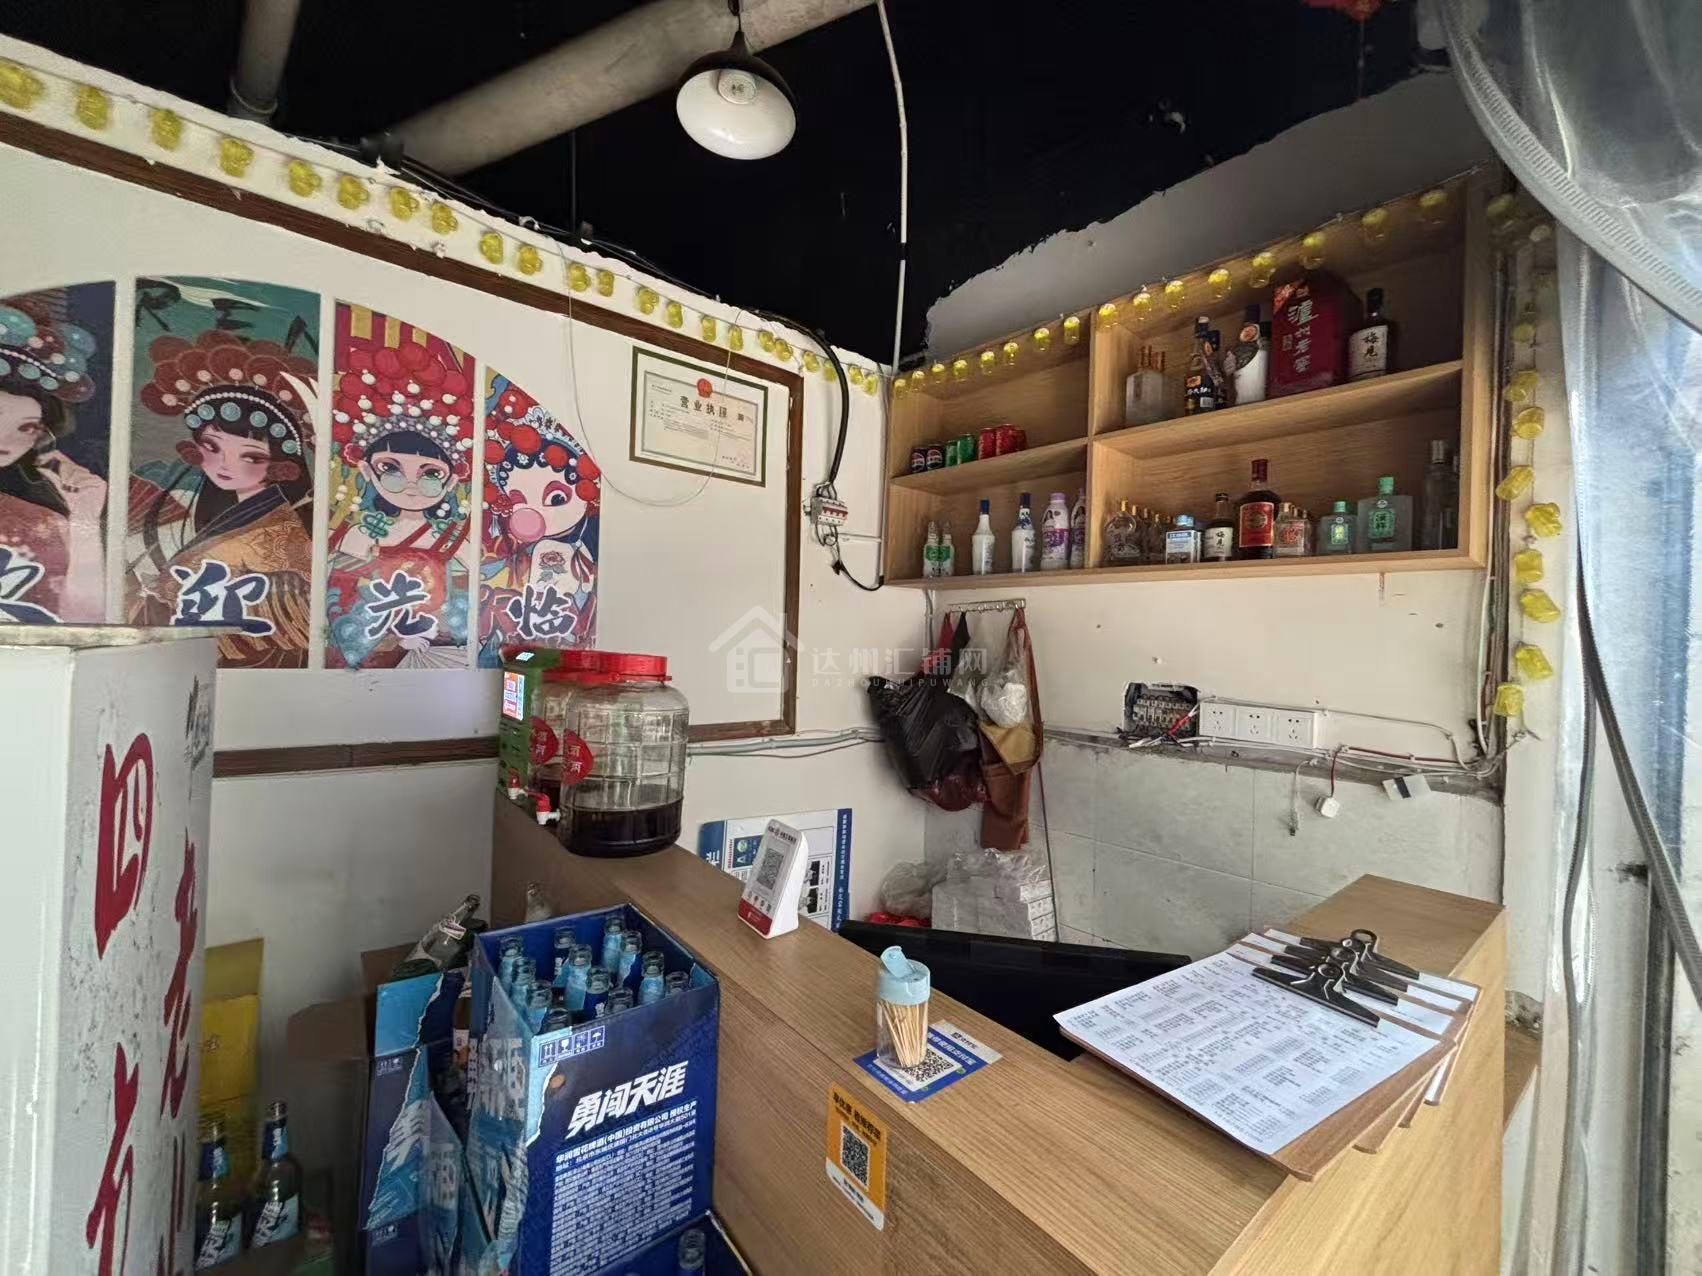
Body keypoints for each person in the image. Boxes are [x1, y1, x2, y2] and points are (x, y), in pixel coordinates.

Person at [126, 330, 315, 666]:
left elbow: (284, 631)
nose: (225, 466)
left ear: (279, 463)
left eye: (250, 456)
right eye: (212, 448)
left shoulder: (280, 535)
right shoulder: (228, 515)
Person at [325, 338, 473, 668]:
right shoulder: (361, 536)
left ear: (451, 481)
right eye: (390, 469)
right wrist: (392, 635)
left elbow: (472, 605)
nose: (410, 484)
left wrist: (441, 631)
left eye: (430, 473)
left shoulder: (456, 540)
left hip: (441, 657)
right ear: (367, 471)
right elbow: (339, 602)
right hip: (381, 657)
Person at [477, 376, 599, 665]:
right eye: (518, 500)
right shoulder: (520, 553)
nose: (535, 513)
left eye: (556, 498)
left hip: (556, 652)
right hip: (534, 652)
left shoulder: (579, 552)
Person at [0, 297, 107, 623]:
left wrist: (85, 521)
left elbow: (84, 620)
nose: (7, 440)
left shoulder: (42, 521)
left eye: (27, 427)